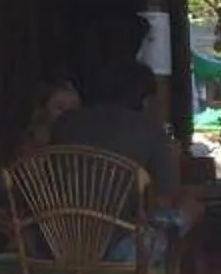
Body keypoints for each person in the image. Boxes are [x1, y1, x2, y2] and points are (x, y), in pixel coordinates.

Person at [52, 58, 184, 198]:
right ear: (145, 100)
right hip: (125, 219)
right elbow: (166, 192)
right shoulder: (149, 128)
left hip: (61, 217)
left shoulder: (66, 122)